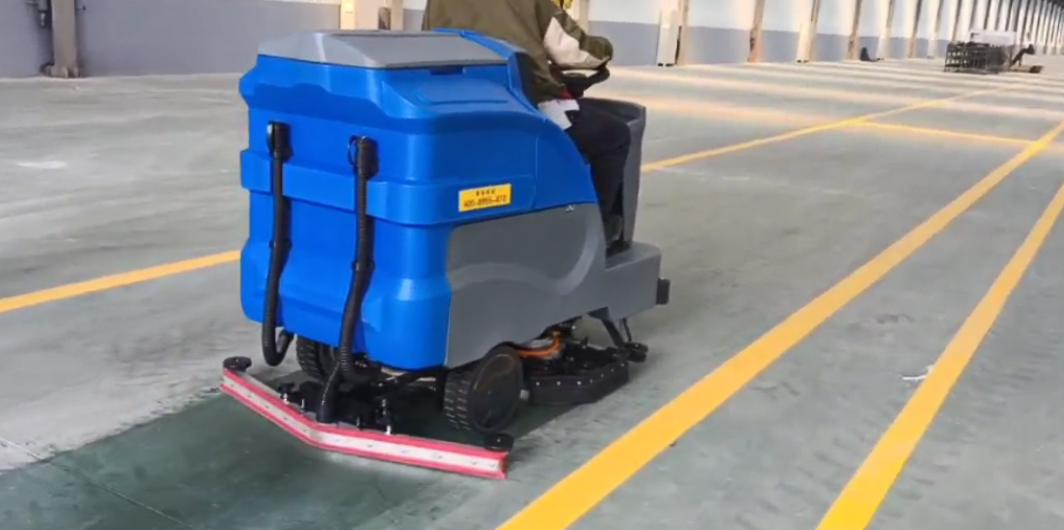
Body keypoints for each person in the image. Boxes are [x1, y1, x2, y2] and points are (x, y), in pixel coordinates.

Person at [422, 0, 631, 236]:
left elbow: (430, 47)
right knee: (615, 135)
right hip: (524, 109)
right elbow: (576, 53)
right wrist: (605, 49)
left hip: (461, 110)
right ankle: (597, 234)